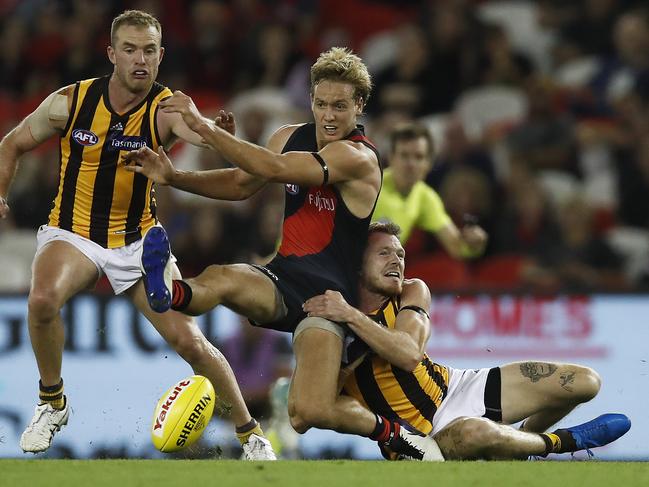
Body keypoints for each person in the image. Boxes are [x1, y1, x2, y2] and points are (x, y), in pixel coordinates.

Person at [124, 47, 443, 460]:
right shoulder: (287, 136)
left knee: (307, 412)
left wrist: (204, 127)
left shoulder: (360, 157)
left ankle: (393, 433)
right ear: (310, 99)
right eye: (321, 103)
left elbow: (272, 170)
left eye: (340, 106)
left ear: (359, 106)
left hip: (329, 302)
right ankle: (169, 293)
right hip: (282, 277)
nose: (329, 115)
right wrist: (173, 176)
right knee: (223, 276)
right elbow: (242, 184)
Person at [0, 10, 275, 460]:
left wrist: (213, 134)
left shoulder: (166, 107)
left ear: (161, 55)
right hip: (75, 233)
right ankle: (52, 402)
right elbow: (11, 143)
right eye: (129, 50)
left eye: (149, 50)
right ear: (111, 53)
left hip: (137, 241)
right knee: (42, 300)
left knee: (190, 342)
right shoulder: (71, 101)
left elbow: (194, 132)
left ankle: (252, 436)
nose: (139, 60)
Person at [302, 222, 631, 460]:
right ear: (356, 265)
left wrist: (352, 317)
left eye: (400, 254)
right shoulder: (328, 320)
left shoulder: (412, 290)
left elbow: (409, 354)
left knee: (584, 382)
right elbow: (306, 414)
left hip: (455, 387)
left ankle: (516, 446)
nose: (396, 261)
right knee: (474, 433)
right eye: (384, 253)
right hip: (416, 440)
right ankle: (556, 443)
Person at [372, 122, 487, 257]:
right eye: (404, 155)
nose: (411, 164)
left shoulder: (425, 197)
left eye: (418, 157)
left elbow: (458, 248)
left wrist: (475, 245)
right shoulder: (372, 186)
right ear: (391, 158)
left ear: (429, 163)